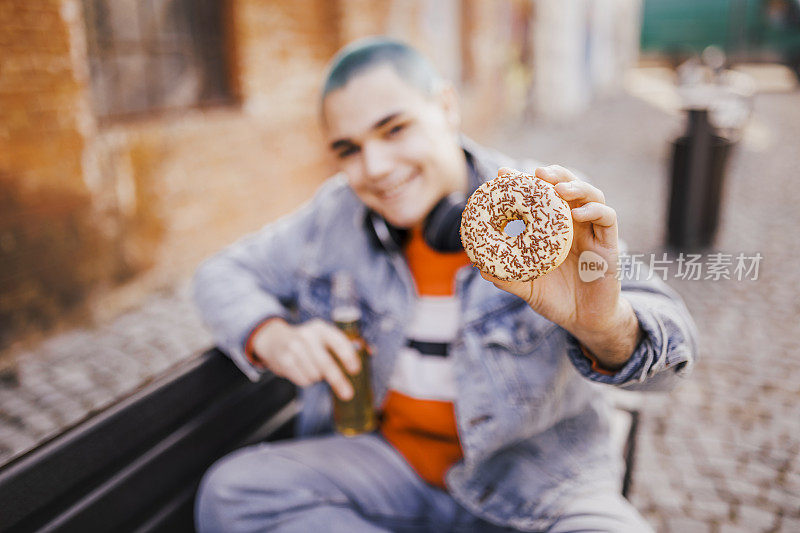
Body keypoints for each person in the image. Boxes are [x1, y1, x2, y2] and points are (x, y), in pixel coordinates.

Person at [192, 37, 697, 532]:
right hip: (390, 467)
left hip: (541, 485)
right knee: (234, 492)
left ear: (447, 107)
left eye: (394, 130)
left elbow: (673, 362)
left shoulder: (545, 206)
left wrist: (607, 328)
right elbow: (221, 273)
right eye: (349, 149)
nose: (375, 168)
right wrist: (273, 335)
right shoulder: (335, 216)